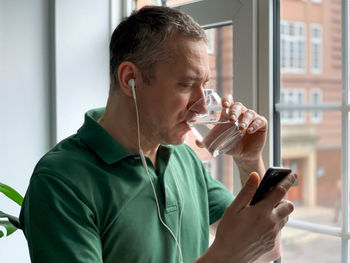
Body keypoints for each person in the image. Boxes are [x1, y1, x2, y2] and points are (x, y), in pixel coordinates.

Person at [20, 5, 296, 263]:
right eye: (187, 84)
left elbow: (268, 250)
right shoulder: (60, 182)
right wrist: (223, 256)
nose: (202, 105)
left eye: (204, 85)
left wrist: (248, 161)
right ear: (130, 79)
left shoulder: (184, 159)